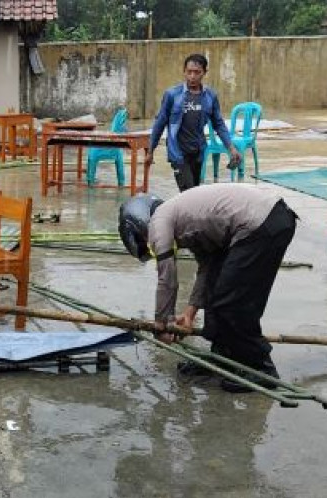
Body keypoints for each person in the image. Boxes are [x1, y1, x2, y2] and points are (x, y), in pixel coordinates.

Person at [118, 184, 297, 392]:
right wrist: (189, 313)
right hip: (267, 220)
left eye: (146, 245)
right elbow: (207, 269)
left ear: (140, 225)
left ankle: (262, 368)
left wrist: (162, 324)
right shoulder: (182, 220)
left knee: (232, 302)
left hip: (263, 223)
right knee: (216, 290)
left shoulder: (159, 222)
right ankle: (221, 357)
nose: (152, 247)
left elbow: (167, 279)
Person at [146, 53, 241, 192]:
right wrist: (150, 151)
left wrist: (231, 148)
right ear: (184, 71)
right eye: (189, 72)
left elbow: (219, 124)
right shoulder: (172, 95)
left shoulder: (210, 96)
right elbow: (160, 123)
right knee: (188, 193)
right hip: (178, 153)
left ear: (204, 73)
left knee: (195, 193)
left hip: (198, 152)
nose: (192, 76)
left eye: (197, 72)